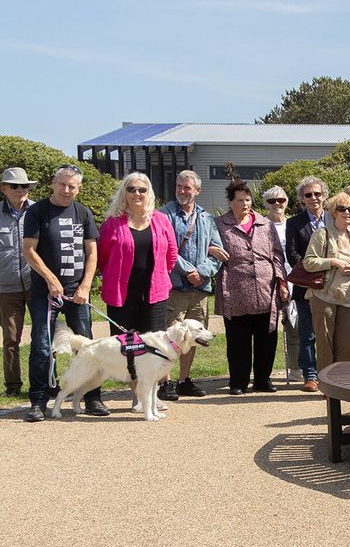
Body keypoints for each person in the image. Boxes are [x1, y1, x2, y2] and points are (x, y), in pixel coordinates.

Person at [22, 164, 102, 421]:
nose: (66, 190)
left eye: (72, 186)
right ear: (53, 184)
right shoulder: (37, 212)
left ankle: (92, 397)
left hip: (77, 292)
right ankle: (39, 400)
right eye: (62, 185)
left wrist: (86, 286)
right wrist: (50, 279)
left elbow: (92, 252)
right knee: (42, 346)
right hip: (45, 292)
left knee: (88, 345)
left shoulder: (83, 212)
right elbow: (29, 251)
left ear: (78, 189)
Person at [97, 173, 178, 408]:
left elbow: (171, 255)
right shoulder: (112, 223)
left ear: (149, 192)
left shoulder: (161, 220)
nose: (137, 194)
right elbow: (102, 259)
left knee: (153, 346)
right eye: (131, 189)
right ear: (125, 192)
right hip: (122, 295)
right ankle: (137, 396)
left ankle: (151, 396)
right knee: (129, 347)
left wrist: (159, 276)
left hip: (155, 292)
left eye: (142, 190)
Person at [215, 180, 288, 396]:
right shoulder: (219, 224)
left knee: (267, 336)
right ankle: (238, 381)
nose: (245, 204)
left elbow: (277, 255)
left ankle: (263, 380)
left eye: (248, 199)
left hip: (265, 288)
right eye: (240, 200)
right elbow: (211, 247)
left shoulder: (265, 224)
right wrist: (212, 250)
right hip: (235, 289)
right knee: (238, 340)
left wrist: (281, 281)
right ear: (230, 202)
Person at [158, 170, 225, 400]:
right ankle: (165, 382)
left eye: (187, 187)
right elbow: (166, 248)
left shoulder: (206, 218)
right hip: (174, 285)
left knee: (193, 335)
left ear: (197, 190)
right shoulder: (164, 215)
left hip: (199, 289)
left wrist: (203, 272)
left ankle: (184, 379)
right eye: (179, 186)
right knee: (170, 333)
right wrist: (189, 271)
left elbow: (218, 251)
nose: (182, 191)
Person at [303, 192, 350, 372]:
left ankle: (342, 383)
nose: (347, 212)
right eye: (342, 208)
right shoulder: (322, 234)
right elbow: (309, 262)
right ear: (333, 212)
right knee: (325, 342)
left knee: (345, 344)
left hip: (348, 298)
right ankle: (326, 384)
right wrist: (333, 262)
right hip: (324, 296)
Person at [285, 177, 328, 393]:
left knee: (329, 332)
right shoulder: (294, 223)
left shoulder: (334, 218)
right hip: (306, 286)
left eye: (317, 194)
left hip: (332, 286)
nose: (314, 198)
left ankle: (329, 373)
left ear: (324, 196)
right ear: (302, 199)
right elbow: (292, 255)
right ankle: (310, 374)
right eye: (308, 195)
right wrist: (316, 270)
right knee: (308, 333)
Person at [0, 167, 35, 398]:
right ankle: (13, 387)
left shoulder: (39, 211)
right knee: (11, 339)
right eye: (15, 186)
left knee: (43, 335)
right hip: (6, 288)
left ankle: (45, 383)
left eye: (25, 186)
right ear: (4, 188)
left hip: (37, 285)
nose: (20, 190)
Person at [261, 185, 299, 381]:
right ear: (266, 204)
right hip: (269, 280)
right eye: (272, 201)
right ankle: (263, 374)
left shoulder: (292, 224)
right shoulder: (261, 224)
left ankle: (295, 368)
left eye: (281, 200)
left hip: (293, 278)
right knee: (269, 328)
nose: (277, 204)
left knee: (295, 326)